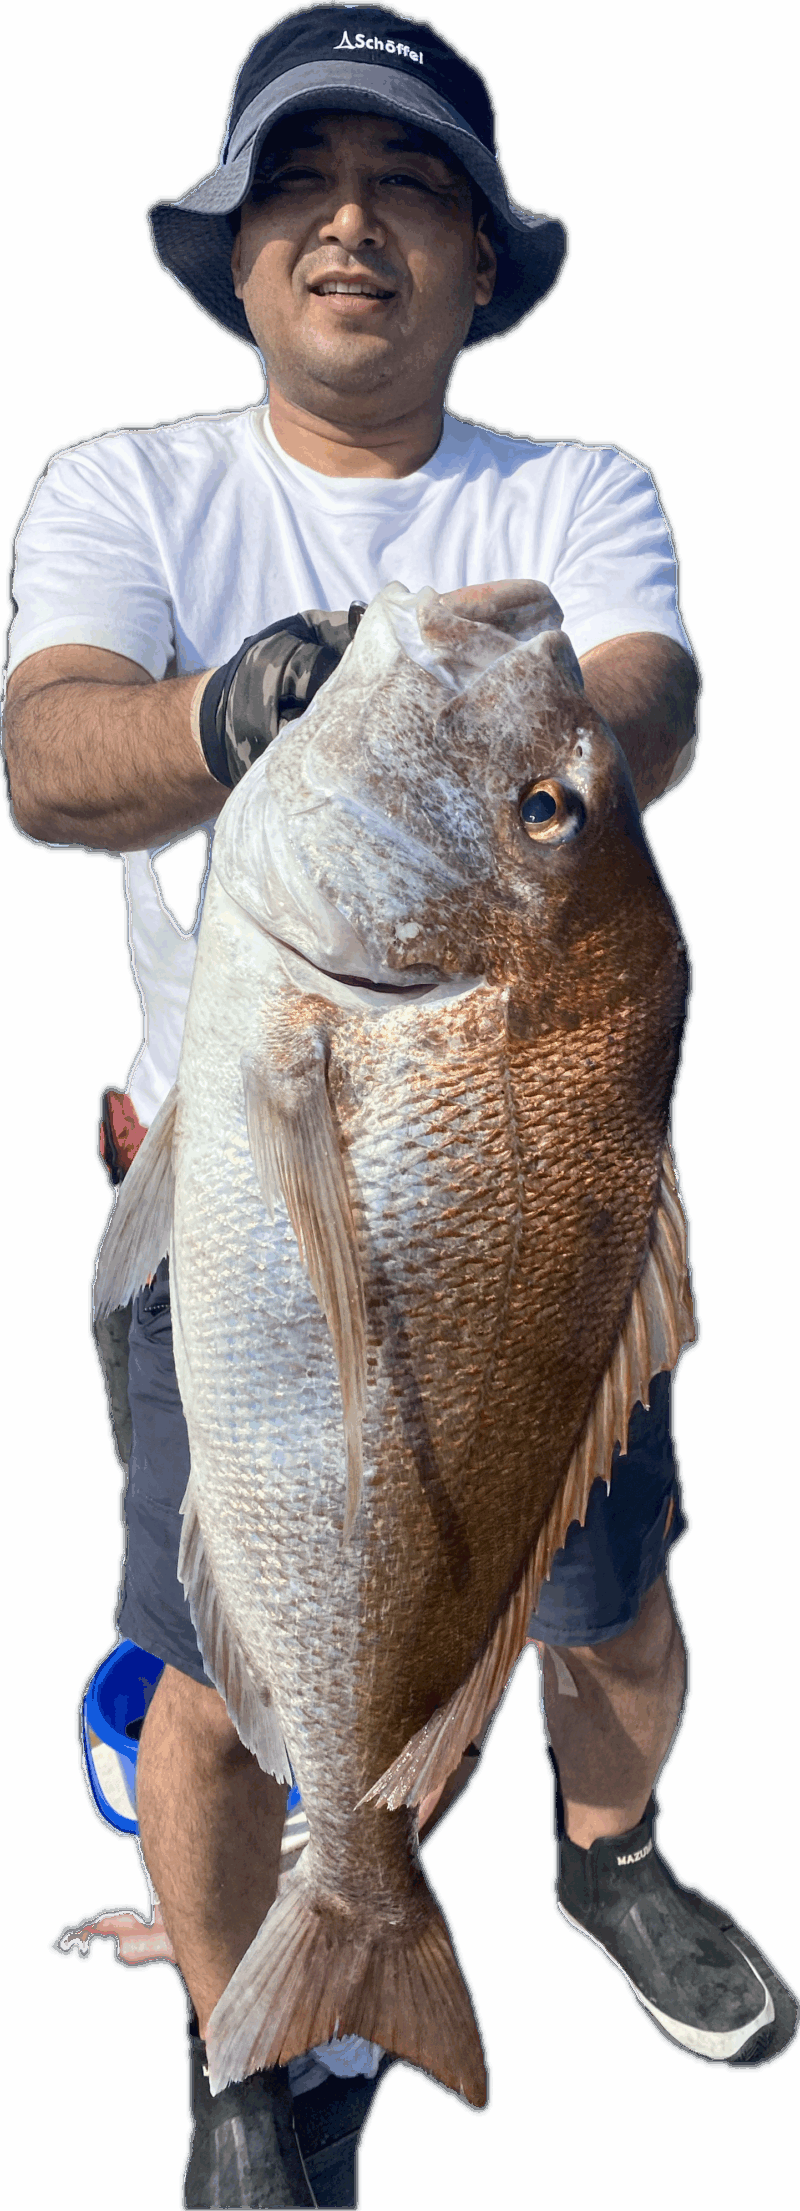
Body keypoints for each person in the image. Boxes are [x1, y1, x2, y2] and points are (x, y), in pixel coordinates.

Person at [4, 7, 797, 2204]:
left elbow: (645, 690)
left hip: (537, 1229)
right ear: (237, 253)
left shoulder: (575, 492)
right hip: (238, 1215)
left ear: (480, 262)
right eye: (303, 183)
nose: (352, 224)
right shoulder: (126, 487)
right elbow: (50, 760)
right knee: (202, 1679)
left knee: (609, 1605)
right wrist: (228, 712)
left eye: (411, 186)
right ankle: (247, 2038)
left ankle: (605, 1852)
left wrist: (533, 752)